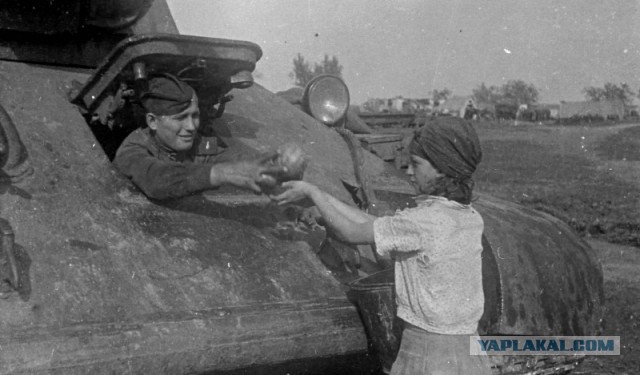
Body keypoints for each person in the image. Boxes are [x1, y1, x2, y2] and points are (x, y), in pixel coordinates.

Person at [271, 116, 492, 375]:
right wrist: (327, 201)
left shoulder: (422, 222)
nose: (409, 171)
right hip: (467, 349)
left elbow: (350, 232)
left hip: (427, 353)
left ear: (441, 168)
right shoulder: (467, 216)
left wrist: (312, 193)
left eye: (416, 164)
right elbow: (378, 224)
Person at [113, 73, 280, 200]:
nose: (191, 127)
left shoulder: (197, 142)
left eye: (195, 116)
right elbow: (156, 179)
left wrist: (274, 164)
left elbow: (226, 157)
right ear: (152, 121)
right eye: (180, 118)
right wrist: (220, 174)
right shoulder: (132, 150)